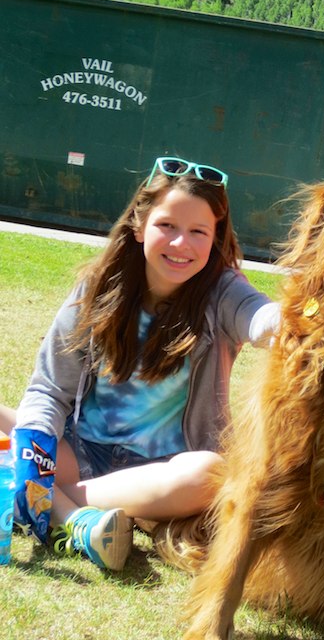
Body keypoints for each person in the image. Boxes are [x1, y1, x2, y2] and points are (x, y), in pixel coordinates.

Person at [1, 156, 278, 572]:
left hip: (164, 472)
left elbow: (259, 318)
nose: (181, 243)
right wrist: (36, 445)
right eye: (167, 225)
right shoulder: (97, 288)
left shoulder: (224, 291)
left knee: (209, 473)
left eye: (198, 231)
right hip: (82, 450)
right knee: (24, 429)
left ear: (216, 238)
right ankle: (77, 522)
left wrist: (290, 323)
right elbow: (49, 391)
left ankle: (44, 500)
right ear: (139, 224)